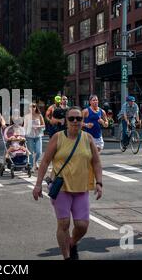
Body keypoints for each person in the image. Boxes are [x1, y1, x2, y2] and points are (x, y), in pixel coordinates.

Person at [33, 107, 103, 260]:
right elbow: (45, 162)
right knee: (64, 224)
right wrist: (38, 184)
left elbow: (96, 162)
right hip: (61, 188)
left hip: (81, 188)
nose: (75, 121)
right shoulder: (58, 138)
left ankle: (72, 243)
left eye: (79, 119)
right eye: (72, 118)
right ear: (66, 121)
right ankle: (67, 257)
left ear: (82, 121)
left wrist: (99, 183)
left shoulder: (88, 138)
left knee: (82, 226)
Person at [24, 103, 45, 171]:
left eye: (34, 106)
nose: (32, 108)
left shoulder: (39, 115)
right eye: (30, 107)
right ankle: (31, 166)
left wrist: (38, 127)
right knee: (30, 152)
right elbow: (25, 126)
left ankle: (35, 162)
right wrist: (23, 135)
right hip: (29, 136)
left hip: (38, 135)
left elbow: (43, 125)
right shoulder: (26, 116)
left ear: (36, 107)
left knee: (39, 152)